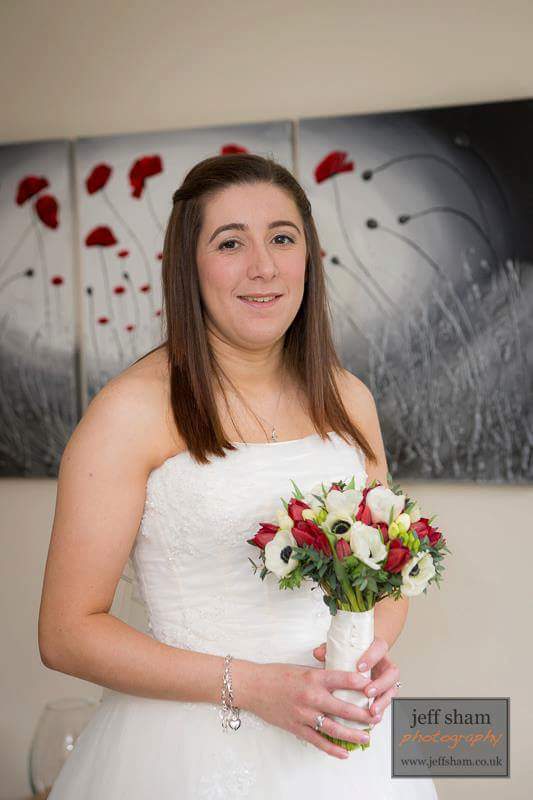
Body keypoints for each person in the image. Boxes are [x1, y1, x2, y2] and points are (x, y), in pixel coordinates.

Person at [38, 153, 438, 799]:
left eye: (282, 238)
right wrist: (252, 687)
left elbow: (386, 570)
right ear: (187, 266)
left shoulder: (348, 398)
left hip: (343, 741)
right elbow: (65, 633)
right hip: (187, 752)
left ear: (308, 257)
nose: (263, 267)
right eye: (230, 243)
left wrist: (366, 651)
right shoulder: (130, 411)